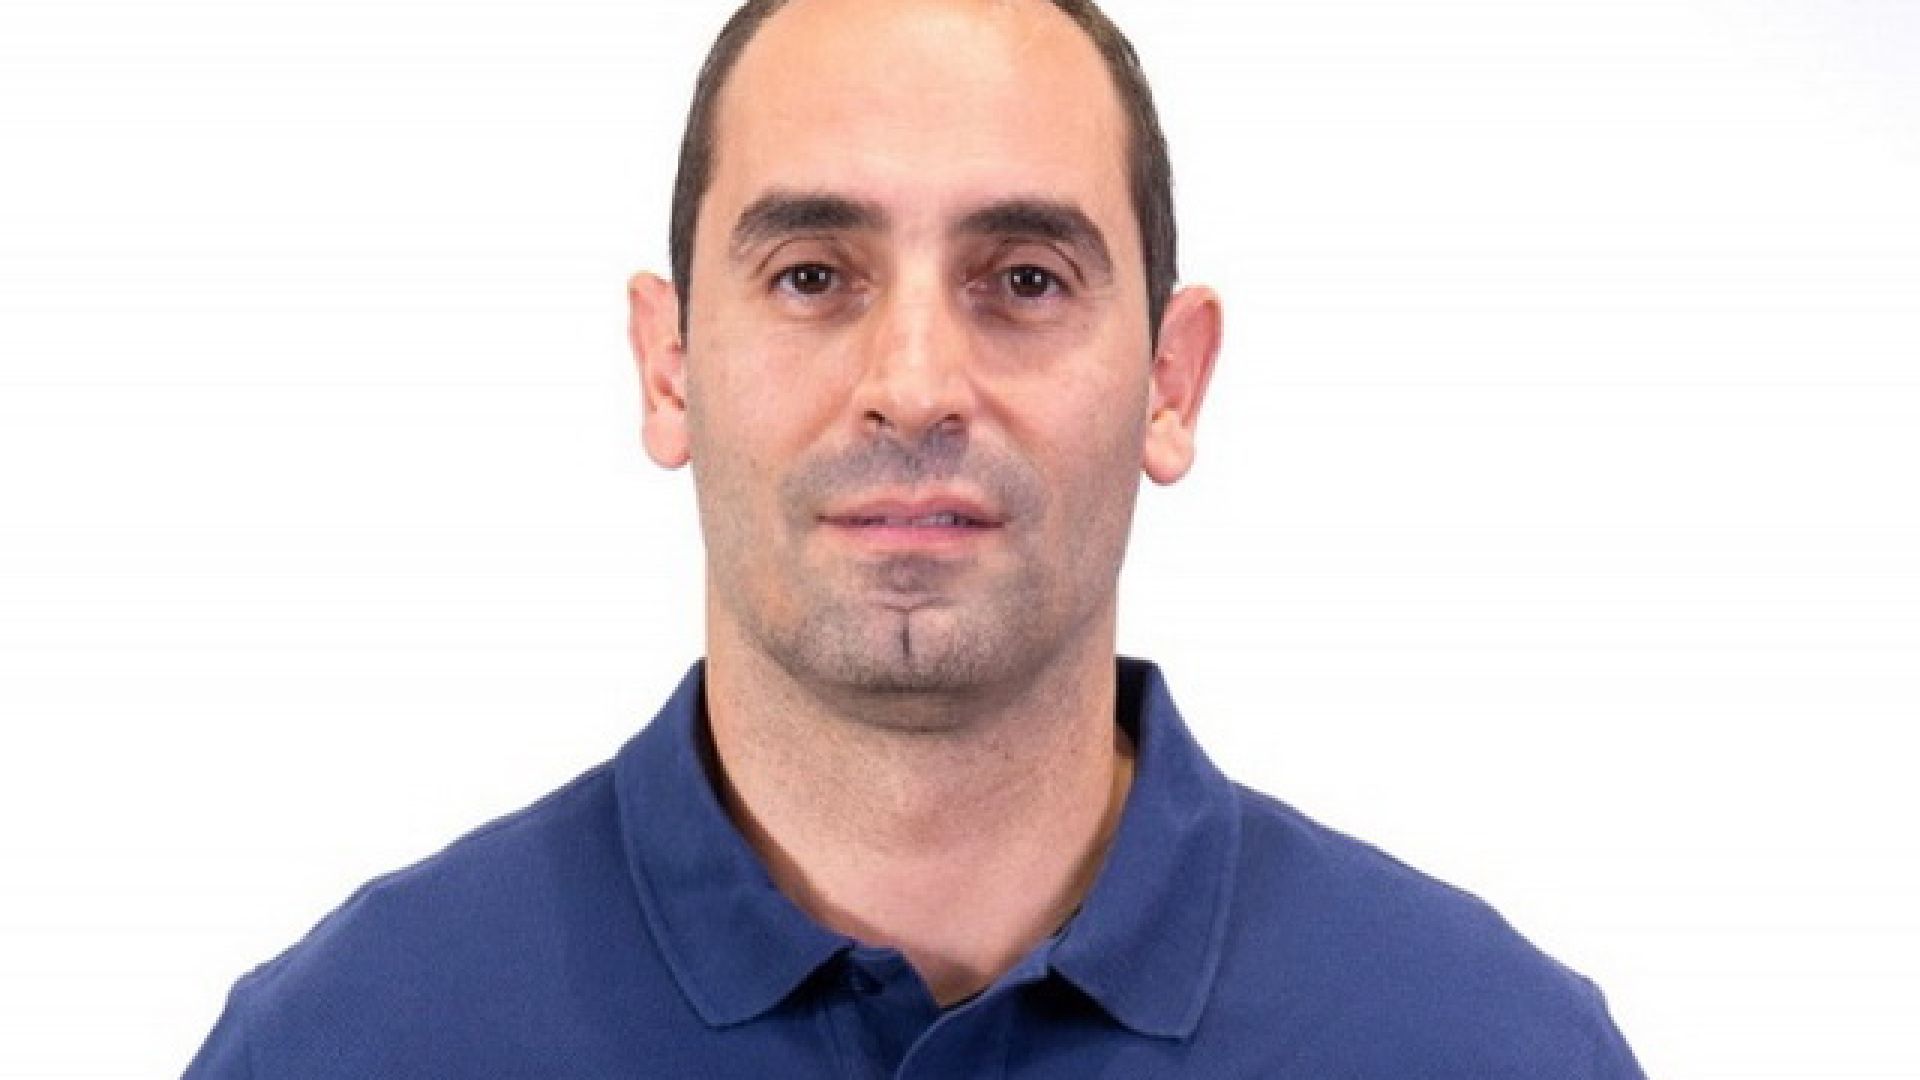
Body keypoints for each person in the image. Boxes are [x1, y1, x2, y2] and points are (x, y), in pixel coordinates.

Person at [185, 0, 1646, 1075]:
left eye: (1025, 278)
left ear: (1171, 381)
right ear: (669, 366)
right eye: (812, 274)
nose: (915, 384)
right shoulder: (343, 1043)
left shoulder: (1491, 1046)